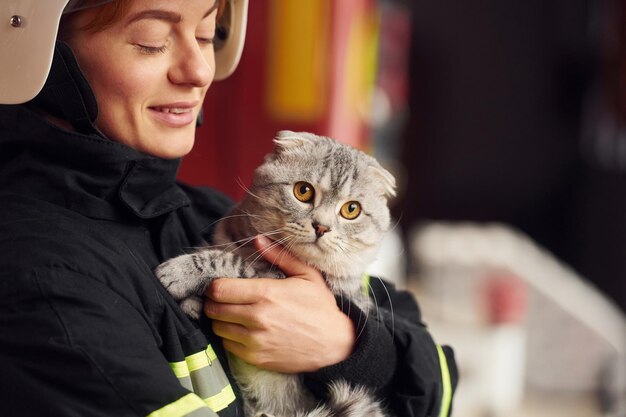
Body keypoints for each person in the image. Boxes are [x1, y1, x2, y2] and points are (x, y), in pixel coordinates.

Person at [0, 0, 458, 416]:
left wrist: (348, 345)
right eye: (152, 43)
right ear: (43, 53)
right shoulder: (43, 279)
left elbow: (437, 374)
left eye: (206, 36)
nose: (199, 70)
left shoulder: (207, 212)